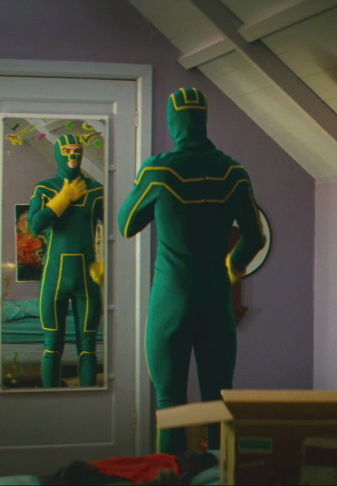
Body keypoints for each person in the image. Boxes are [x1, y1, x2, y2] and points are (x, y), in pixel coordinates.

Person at [118, 88, 265, 454]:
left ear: (174, 121)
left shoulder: (158, 170)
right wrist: (233, 266)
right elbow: (255, 238)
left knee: (170, 404)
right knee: (218, 400)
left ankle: (170, 475)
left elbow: (125, 225)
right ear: (203, 120)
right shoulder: (233, 171)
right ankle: (218, 475)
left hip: (171, 298)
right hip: (215, 296)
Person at [27, 134, 105, 388]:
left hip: (87, 279)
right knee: (52, 345)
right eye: (67, 150)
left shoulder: (96, 190)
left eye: (77, 150)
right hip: (54, 278)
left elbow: (118, 231)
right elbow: (34, 226)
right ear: (58, 152)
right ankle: (47, 403)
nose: (72, 155)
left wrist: (105, 261)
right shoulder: (45, 188)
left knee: (89, 346)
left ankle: (91, 403)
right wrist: (63, 198)